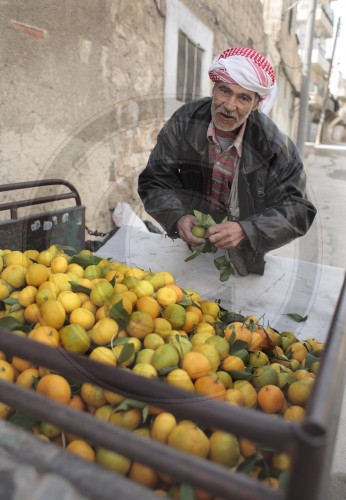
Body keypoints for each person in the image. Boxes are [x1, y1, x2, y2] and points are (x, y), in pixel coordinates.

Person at [137, 47, 316, 276]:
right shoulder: (185, 121)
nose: (230, 105)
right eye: (225, 91)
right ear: (213, 88)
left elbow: (299, 210)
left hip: (244, 255)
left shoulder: (275, 145)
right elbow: (154, 180)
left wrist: (247, 230)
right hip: (189, 245)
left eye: (243, 98)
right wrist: (178, 217)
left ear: (255, 105)